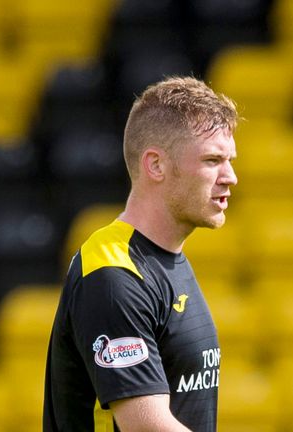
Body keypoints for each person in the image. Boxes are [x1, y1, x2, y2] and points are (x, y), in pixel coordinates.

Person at [43, 76, 239, 432]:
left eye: (229, 160)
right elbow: (146, 426)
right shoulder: (113, 275)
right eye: (213, 160)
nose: (231, 176)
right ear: (156, 165)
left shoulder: (165, 262)